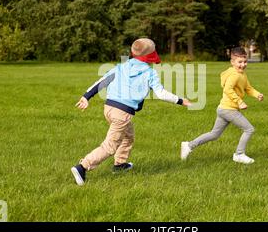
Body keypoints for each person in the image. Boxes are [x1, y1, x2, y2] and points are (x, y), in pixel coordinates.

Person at [72, 38, 191, 185]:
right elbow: (161, 94)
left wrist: (86, 97)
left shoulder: (121, 67)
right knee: (109, 146)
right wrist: (181, 100)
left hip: (109, 108)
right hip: (122, 114)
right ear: (151, 55)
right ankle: (82, 167)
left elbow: (102, 81)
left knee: (128, 136)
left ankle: (120, 165)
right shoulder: (149, 73)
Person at [181, 47, 264, 164]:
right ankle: (239, 154)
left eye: (245, 61)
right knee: (249, 129)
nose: (243, 64)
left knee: (214, 134)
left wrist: (257, 94)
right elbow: (228, 89)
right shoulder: (234, 75)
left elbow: (248, 88)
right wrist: (239, 101)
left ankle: (189, 145)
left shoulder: (242, 75)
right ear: (232, 62)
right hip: (229, 110)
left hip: (223, 109)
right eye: (240, 62)